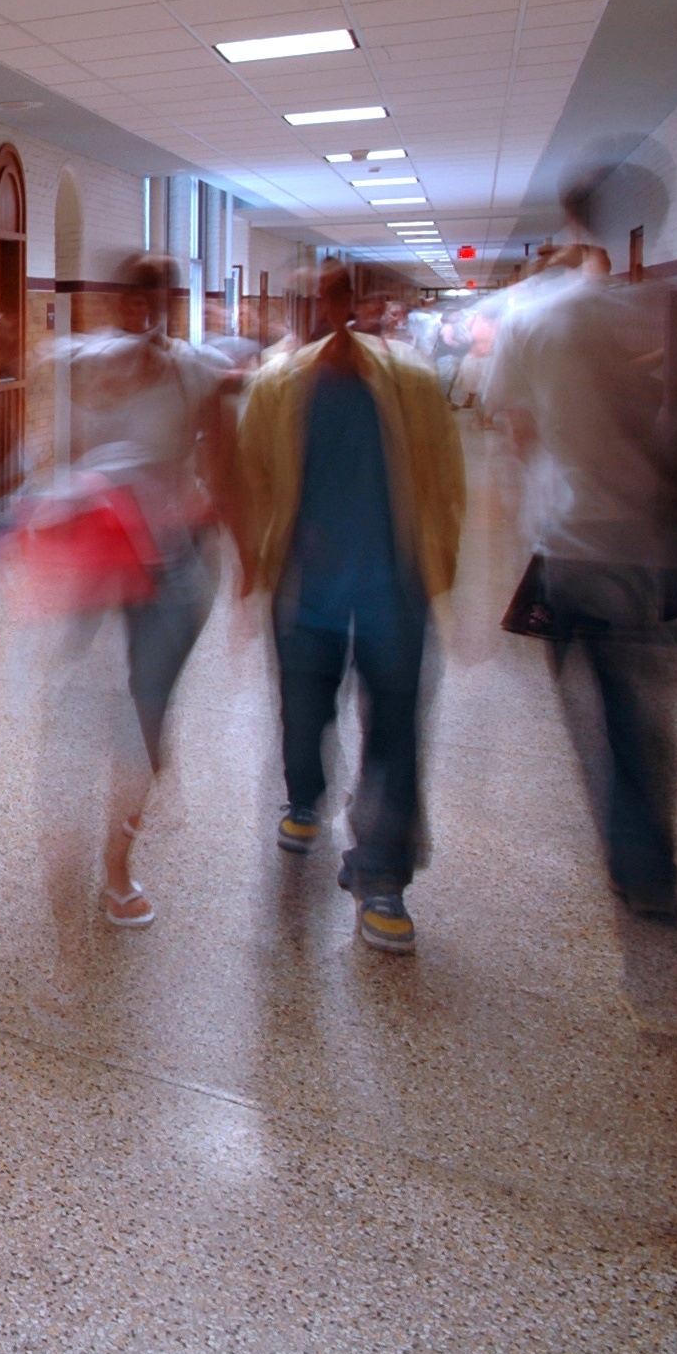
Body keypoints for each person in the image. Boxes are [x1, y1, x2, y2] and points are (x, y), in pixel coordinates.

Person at [237, 263, 466, 954]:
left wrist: (437, 568)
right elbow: (254, 478)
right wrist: (257, 566)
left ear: (360, 306)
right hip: (307, 588)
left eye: (337, 296)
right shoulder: (276, 387)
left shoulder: (412, 383)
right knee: (304, 710)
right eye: (312, 296)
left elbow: (444, 476)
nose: (325, 307)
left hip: (393, 586)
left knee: (395, 728)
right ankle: (304, 796)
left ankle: (382, 875)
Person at [486, 234, 677, 922]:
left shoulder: (528, 326)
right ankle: (650, 867)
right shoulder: (635, 311)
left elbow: (518, 433)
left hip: (569, 540)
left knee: (595, 711)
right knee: (640, 710)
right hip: (641, 540)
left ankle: (632, 856)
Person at [41, 253, 236, 941]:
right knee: (83, 700)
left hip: (167, 564)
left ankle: (117, 863)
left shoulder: (194, 370)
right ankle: (132, 782)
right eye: (132, 295)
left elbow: (224, 462)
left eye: (156, 296)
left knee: (146, 710)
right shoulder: (90, 363)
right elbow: (59, 429)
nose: (143, 309)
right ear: (118, 300)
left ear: (170, 301)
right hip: (99, 561)